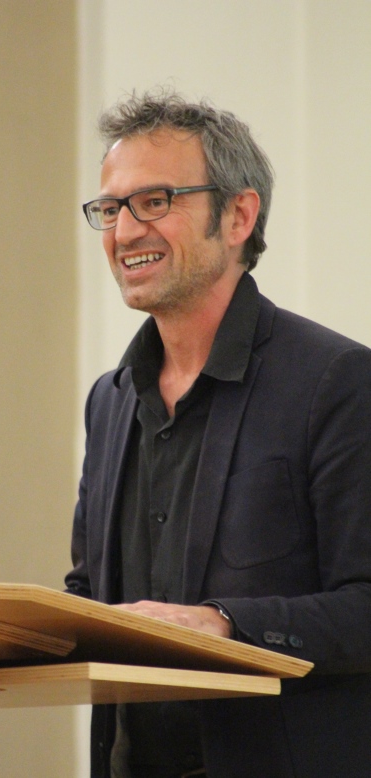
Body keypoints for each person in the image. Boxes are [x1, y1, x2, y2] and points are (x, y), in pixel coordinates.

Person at [65, 88, 371, 778]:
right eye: (110, 209)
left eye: (155, 201)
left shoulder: (337, 381)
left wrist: (225, 623)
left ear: (238, 215)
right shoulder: (109, 402)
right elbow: (91, 594)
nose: (124, 232)